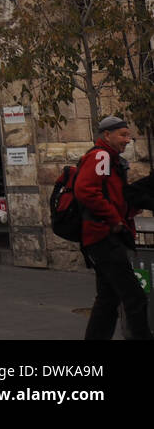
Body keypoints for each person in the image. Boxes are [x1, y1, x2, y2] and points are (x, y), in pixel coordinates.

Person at [75, 116, 153, 340]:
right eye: (123, 135)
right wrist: (114, 219)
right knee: (135, 297)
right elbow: (86, 190)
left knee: (108, 299)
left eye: (128, 135)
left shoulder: (112, 159)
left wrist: (127, 212)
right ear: (106, 135)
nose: (128, 140)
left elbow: (112, 195)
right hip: (103, 236)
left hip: (104, 235)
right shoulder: (101, 155)